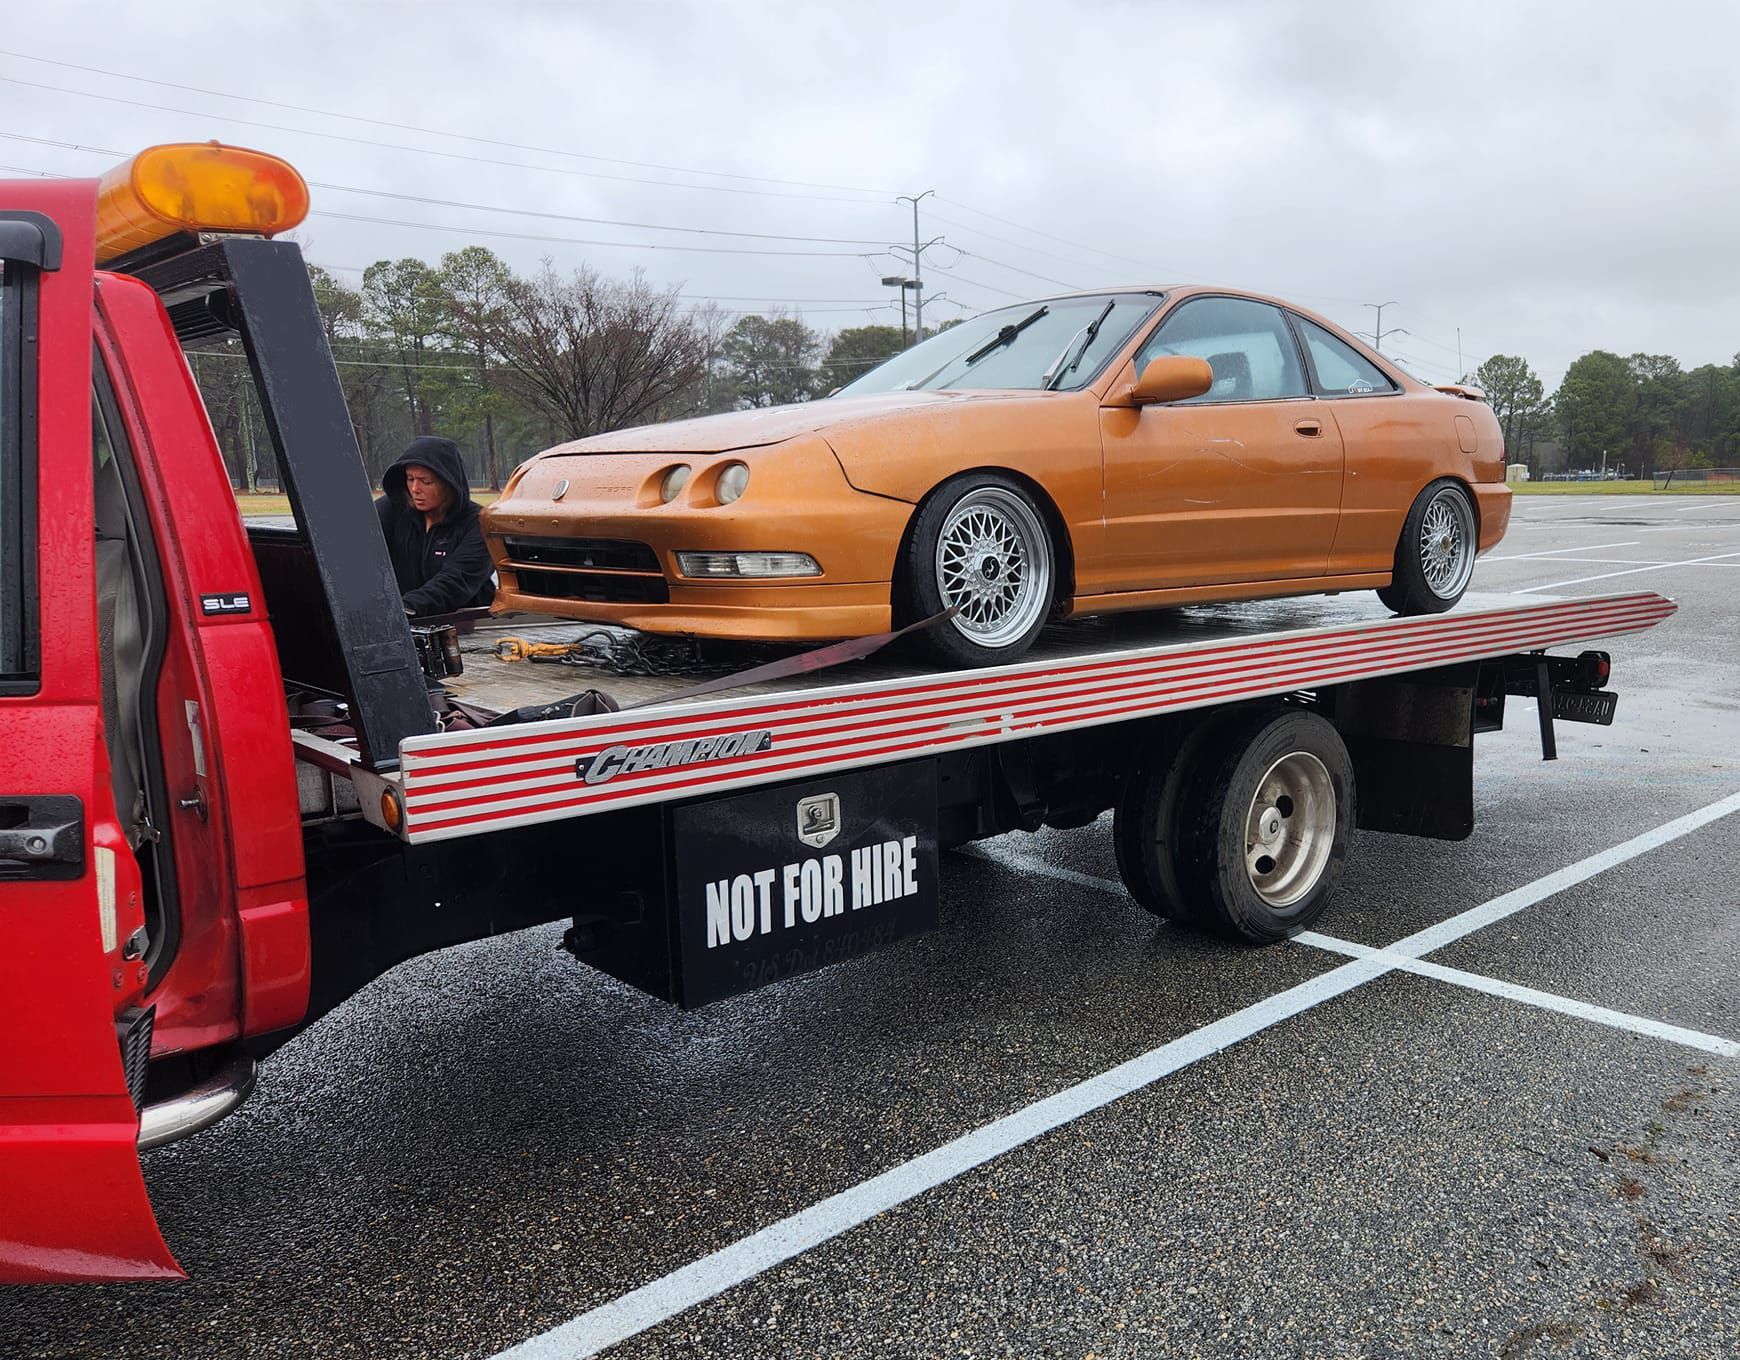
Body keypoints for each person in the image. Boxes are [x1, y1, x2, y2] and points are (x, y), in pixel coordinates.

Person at [374, 435, 495, 617]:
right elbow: (360, 553)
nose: (415, 489)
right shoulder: (391, 511)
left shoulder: (479, 523)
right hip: (399, 620)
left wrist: (405, 607)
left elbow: (457, 581)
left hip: (466, 624)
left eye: (425, 481)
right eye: (410, 479)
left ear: (449, 483)